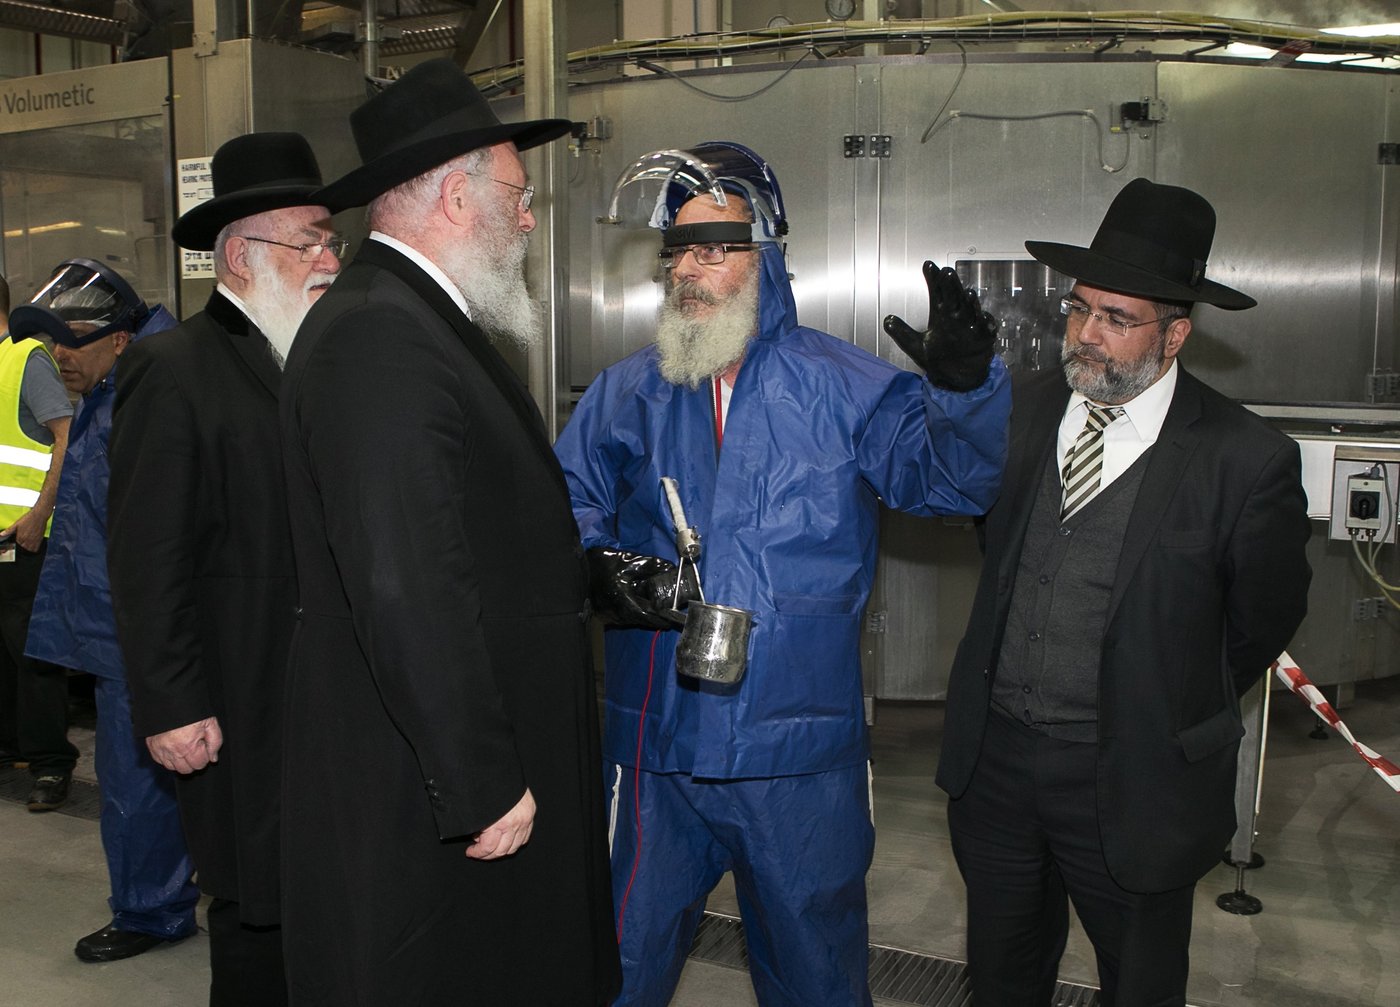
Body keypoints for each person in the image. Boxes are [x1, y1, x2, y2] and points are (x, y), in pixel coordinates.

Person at [554, 141, 1011, 1006]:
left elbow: (953, 484)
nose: (691, 268)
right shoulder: (628, 393)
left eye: (716, 247)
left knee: (815, 977)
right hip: (655, 748)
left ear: (765, 254)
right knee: (619, 966)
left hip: (796, 754)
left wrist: (965, 390)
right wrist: (593, 559)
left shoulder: (846, 387)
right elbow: (562, 500)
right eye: (679, 249)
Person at [276, 58, 620, 1005]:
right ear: (458, 198)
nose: (529, 219)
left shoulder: (416, 318)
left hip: (459, 753)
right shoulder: (379, 336)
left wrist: (582, 576)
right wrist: (481, 780)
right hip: (425, 785)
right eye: (519, 195)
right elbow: (405, 583)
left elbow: (467, 530)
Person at [936, 177, 1312, 1005]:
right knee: (1001, 978)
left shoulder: (1244, 459)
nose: (1086, 334)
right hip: (997, 767)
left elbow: (1262, 619)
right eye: (1079, 308)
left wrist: (1164, 698)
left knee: (1140, 985)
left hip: (1138, 781)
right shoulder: (1019, 412)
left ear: (1174, 334)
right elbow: (997, 549)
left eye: (1116, 317)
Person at [106, 132, 343, 1006]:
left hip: (331, 701)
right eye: (309, 242)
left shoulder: (331, 358)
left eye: (332, 241)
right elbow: (146, 552)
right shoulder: (173, 369)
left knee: (326, 906)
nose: (329, 260)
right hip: (241, 700)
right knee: (255, 913)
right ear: (241, 255)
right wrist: (171, 703)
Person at [14, 260, 200, 962]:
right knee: (142, 773)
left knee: (139, 775)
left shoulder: (148, 397)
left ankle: (153, 911)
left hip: (142, 630)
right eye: (51, 342)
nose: (58, 355)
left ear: (119, 338)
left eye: (71, 341)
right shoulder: (113, 390)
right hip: (116, 622)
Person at [0, 273, 78, 811]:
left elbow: (65, 435)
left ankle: (51, 763)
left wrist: (40, 513)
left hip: (24, 538)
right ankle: (11, 746)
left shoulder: (24, 357)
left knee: (33, 656)